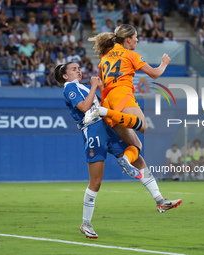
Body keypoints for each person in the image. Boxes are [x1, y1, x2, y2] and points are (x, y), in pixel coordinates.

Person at [53, 63, 182, 238]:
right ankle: (86, 224)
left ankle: (160, 200)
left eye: (78, 67)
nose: (78, 70)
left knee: (138, 159)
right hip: (93, 131)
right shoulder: (69, 88)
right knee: (96, 182)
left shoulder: (81, 86)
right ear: (65, 76)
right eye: (74, 69)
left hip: (105, 126)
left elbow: (95, 105)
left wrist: (99, 88)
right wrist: (93, 87)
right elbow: (84, 108)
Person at [87, 24, 171, 176]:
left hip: (108, 101)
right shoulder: (130, 55)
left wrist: (104, 100)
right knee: (143, 126)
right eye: (135, 37)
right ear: (127, 40)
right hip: (122, 95)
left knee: (136, 145)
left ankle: (125, 159)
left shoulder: (105, 56)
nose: (137, 40)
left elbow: (99, 81)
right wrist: (164, 63)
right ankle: (103, 111)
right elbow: (154, 74)